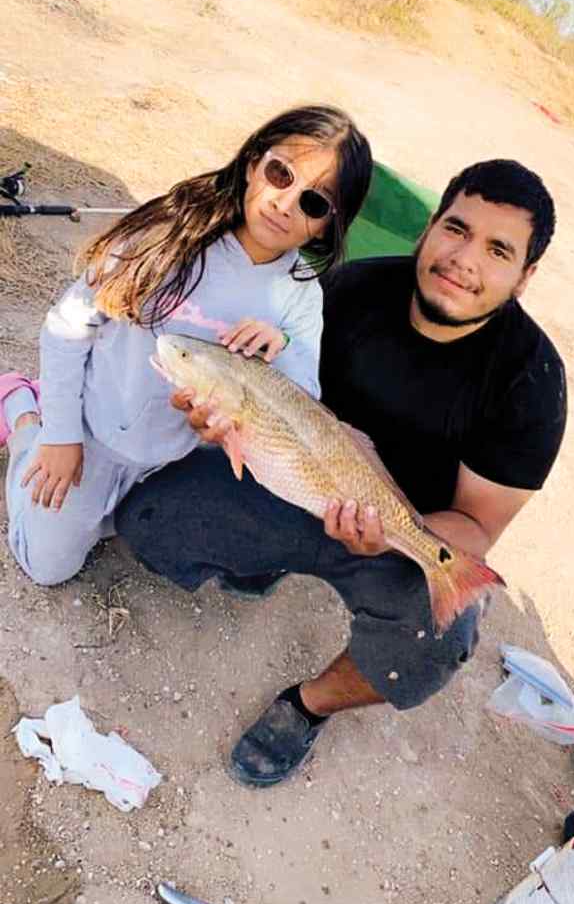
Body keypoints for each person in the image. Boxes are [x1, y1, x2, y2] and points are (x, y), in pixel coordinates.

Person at [115, 157, 567, 789]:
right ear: (429, 228)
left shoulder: (532, 383)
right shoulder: (353, 287)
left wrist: (388, 534)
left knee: (437, 641)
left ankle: (308, 705)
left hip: (398, 528)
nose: (466, 259)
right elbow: (275, 393)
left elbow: (476, 526)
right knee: (146, 520)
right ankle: (260, 562)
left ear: (524, 276)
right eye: (457, 229)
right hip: (294, 474)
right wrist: (217, 423)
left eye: (498, 250)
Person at [0, 105, 373, 585]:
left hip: (168, 464)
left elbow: (302, 403)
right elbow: (68, 327)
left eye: (314, 202)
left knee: (120, 528)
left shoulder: (300, 294)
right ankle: (22, 409)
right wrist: (60, 435)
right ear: (253, 162)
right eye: (281, 173)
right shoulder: (170, 233)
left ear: (328, 224)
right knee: (46, 566)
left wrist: (280, 347)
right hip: (90, 433)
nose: (285, 202)